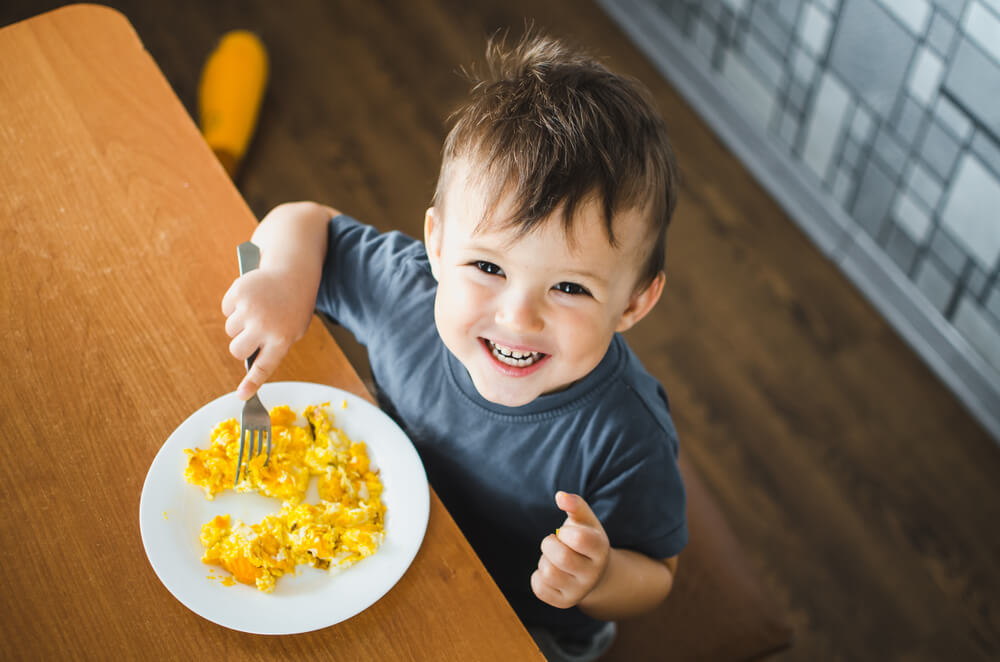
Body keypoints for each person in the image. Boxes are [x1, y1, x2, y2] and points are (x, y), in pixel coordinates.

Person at [222, 32, 687, 661]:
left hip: (523, 623)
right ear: (437, 245)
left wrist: (598, 578)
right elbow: (303, 220)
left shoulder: (627, 435)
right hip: (379, 542)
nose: (517, 315)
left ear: (633, 303)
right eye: (489, 268)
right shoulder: (408, 293)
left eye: (570, 287)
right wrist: (277, 279)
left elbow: (658, 573)